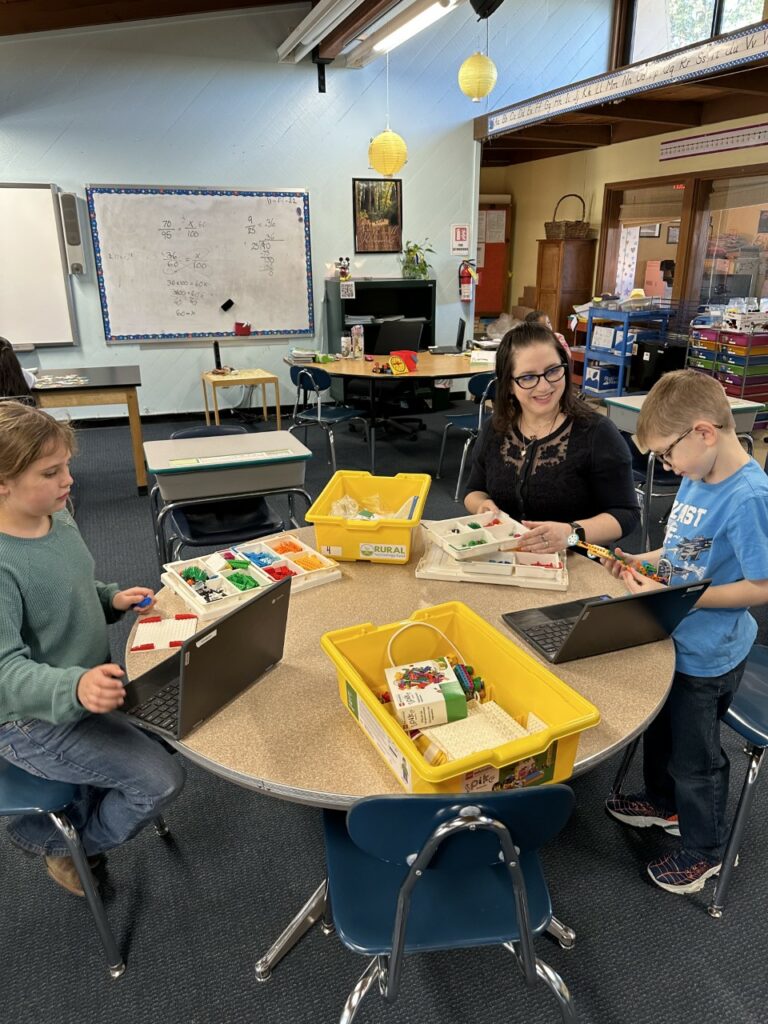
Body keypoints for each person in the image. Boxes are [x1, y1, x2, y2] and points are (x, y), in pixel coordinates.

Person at [0, 402, 184, 896]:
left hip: (88, 683)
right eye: (51, 471)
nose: (69, 481)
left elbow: (71, 586)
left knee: (185, 720)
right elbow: (5, 671)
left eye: (68, 467)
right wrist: (73, 685)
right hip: (29, 717)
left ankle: (79, 816)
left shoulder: (54, 515)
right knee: (161, 781)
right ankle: (62, 846)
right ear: (2, 484)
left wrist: (110, 598)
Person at [603, 370, 768, 894]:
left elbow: (762, 586)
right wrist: (638, 560)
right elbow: (680, 554)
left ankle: (705, 849)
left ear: (703, 432)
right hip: (674, 634)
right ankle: (662, 804)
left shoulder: (747, 498)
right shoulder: (698, 474)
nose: (665, 466)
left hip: (710, 653)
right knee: (661, 728)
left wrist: (688, 596)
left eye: (667, 454)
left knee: (696, 759)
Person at [464, 322, 639, 553]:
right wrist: (482, 506)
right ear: (508, 385)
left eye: (553, 370)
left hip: (577, 563)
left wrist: (570, 533)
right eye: (528, 377)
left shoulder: (597, 433)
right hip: (506, 559)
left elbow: (626, 514)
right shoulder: (494, 429)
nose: (545, 386)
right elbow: (473, 492)